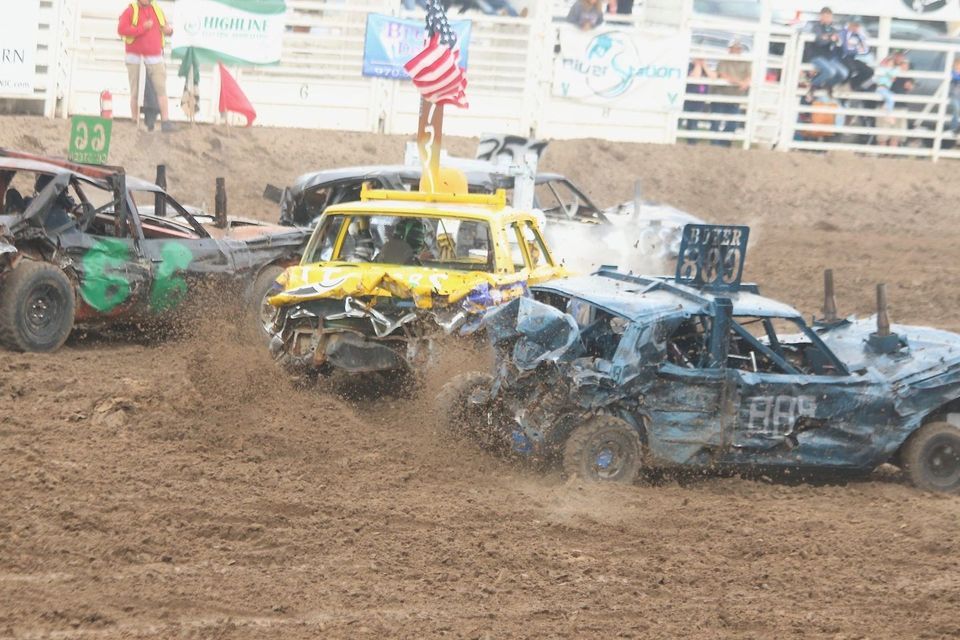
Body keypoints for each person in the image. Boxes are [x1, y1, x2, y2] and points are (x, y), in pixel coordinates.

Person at [117, 0, 175, 132]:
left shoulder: (157, 10)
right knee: (135, 91)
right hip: (135, 56)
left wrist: (169, 31)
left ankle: (165, 122)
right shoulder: (130, 10)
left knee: (161, 89)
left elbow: (166, 28)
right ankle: (134, 121)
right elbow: (121, 30)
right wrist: (142, 28)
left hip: (155, 57)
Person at [711, 41, 752, 147]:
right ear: (729, 49)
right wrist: (740, 82)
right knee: (717, 120)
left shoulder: (746, 62)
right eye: (734, 48)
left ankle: (725, 142)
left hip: (735, 96)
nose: (736, 50)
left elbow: (749, 75)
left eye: (738, 48)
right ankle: (715, 143)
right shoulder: (724, 61)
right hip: (721, 93)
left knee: (733, 122)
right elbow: (723, 75)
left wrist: (746, 82)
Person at [807, 7, 848, 94]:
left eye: (829, 17)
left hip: (828, 57)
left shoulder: (832, 29)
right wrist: (830, 38)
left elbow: (838, 42)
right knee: (830, 71)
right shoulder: (816, 27)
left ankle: (827, 85)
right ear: (821, 16)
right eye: (826, 17)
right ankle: (813, 85)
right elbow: (820, 42)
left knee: (844, 73)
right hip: (816, 56)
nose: (828, 19)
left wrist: (834, 39)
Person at [683, 58, 716, 142]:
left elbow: (713, 77)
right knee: (680, 120)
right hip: (687, 99)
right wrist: (698, 65)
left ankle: (692, 143)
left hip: (699, 100)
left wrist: (704, 65)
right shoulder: (689, 66)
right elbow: (695, 77)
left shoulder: (706, 69)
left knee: (693, 122)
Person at [838, 18, 874, 91]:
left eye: (857, 26)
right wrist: (857, 50)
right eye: (855, 25)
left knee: (869, 71)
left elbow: (865, 49)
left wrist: (856, 49)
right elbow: (846, 49)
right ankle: (840, 85)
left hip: (851, 59)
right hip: (841, 58)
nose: (857, 28)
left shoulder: (857, 35)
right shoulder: (843, 33)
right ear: (850, 24)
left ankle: (850, 86)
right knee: (851, 69)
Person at [950, 57, 960, 133]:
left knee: (957, 111)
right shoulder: (953, 73)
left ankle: (956, 127)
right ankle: (954, 128)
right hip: (955, 96)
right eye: (957, 67)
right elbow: (955, 77)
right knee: (956, 110)